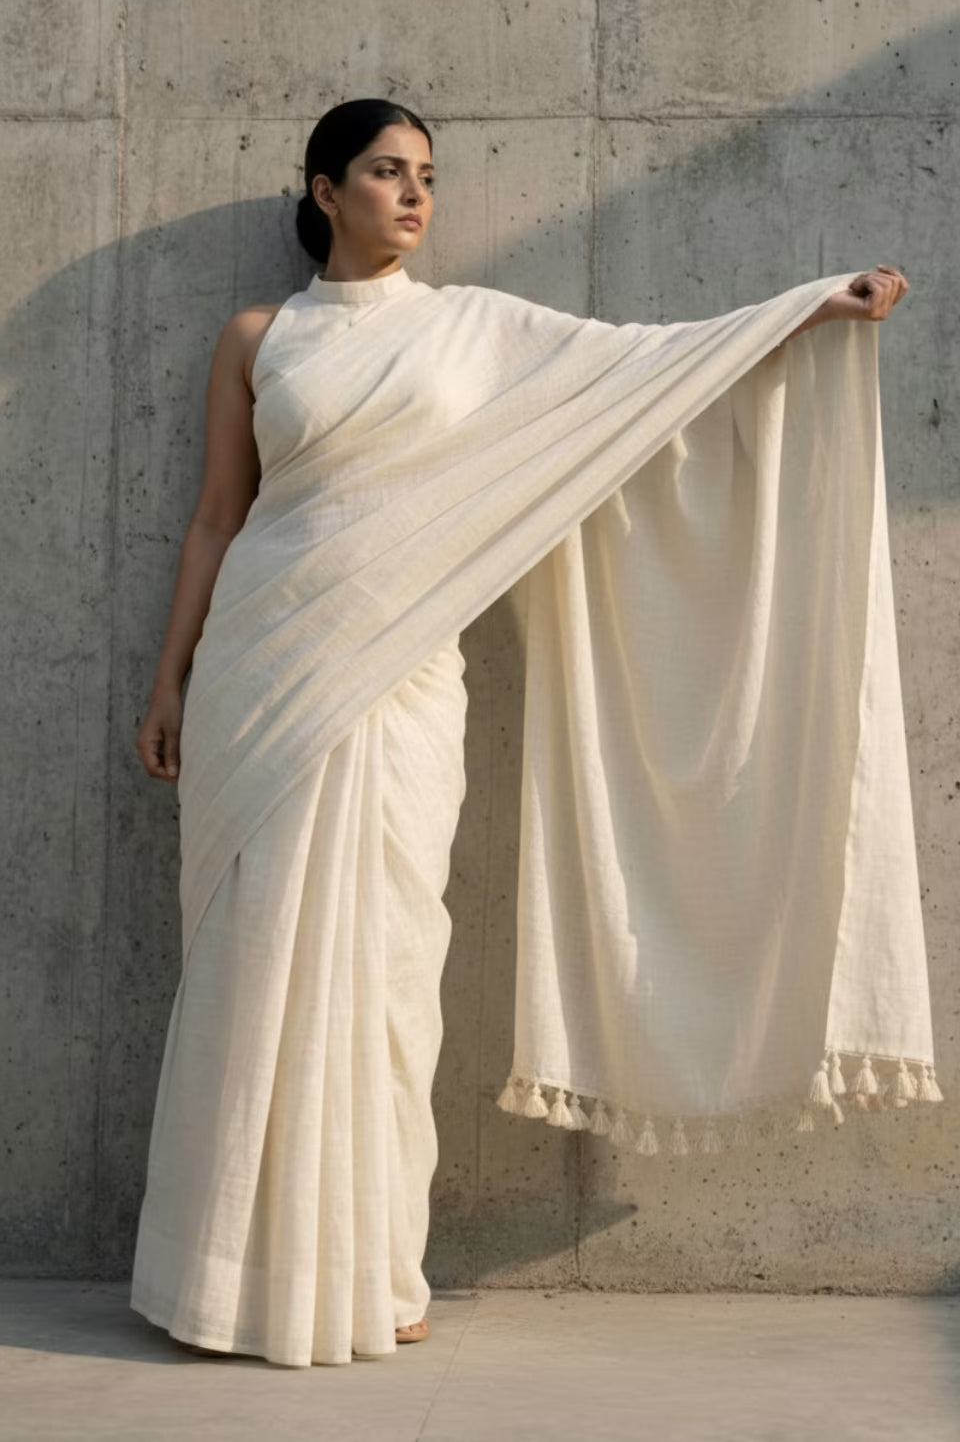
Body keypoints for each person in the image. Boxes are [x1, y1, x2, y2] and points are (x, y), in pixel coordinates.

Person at [131, 98, 915, 1367]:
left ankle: (371, 1268)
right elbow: (218, 519)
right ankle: (224, 1277)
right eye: (386, 172)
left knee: (387, 977)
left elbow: (646, 365)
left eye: (427, 176)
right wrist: (169, 681)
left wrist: (809, 307)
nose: (414, 195)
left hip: (400, 680)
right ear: (323, 188)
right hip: (260, 677)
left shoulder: (474, 332)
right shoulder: (256, 337)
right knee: (249, 963)